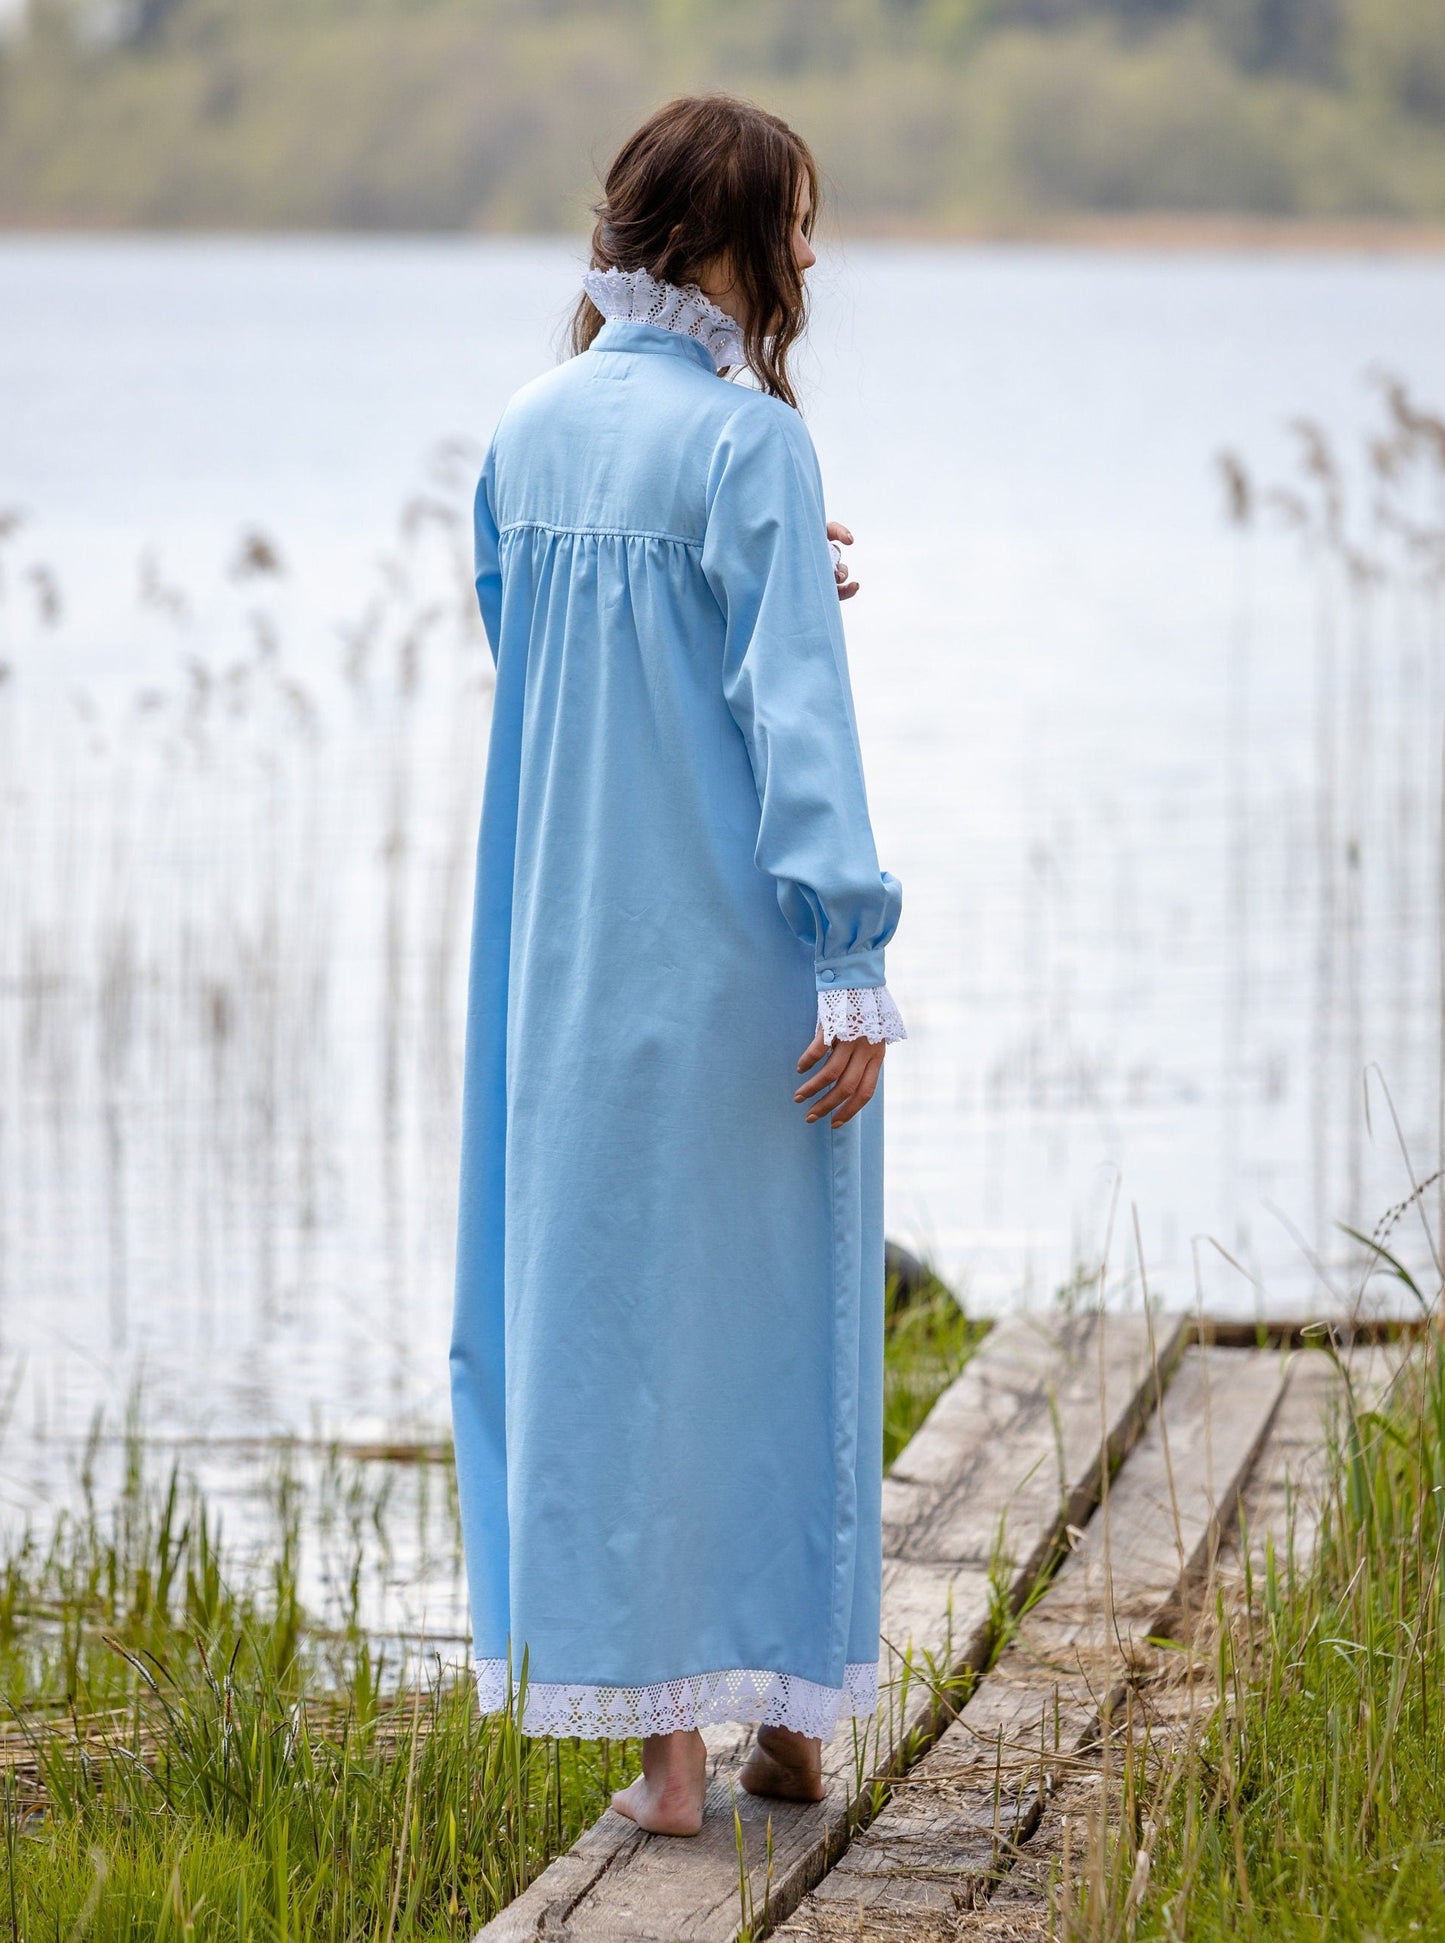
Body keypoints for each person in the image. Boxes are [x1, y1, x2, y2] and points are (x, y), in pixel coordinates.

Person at [449, 91, 906, 1839]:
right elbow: (794, 729)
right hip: (735, 962)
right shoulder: (749, 443)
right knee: (773, 1324)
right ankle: (792, 1702)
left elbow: (541, 645)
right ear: (726, 231)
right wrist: (848, 955)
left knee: (613, 1323)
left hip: (566, 956)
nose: (809, 254)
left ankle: (678, 1766)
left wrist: (778, 588)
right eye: (796, 222)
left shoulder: (529, 426)